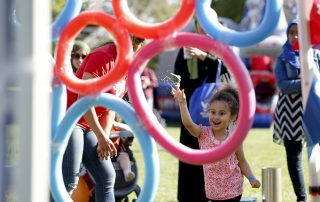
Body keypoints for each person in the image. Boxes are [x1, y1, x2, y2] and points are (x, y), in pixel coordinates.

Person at [62, 36, 145, 202]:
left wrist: (104, 138)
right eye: (130, 38)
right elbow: (83, 100)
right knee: (69, 181)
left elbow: (109, 108)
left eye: (138, 41)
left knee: (106, 177)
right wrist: (100, 137)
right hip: (69, 119)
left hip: (87, 125)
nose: (133, 45)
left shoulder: (128, 66)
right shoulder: (102, 57)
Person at [173, 15, 231, 202]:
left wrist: (204, 57)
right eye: (201, 23)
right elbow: (177, 73)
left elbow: (228, 75)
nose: (204, 28)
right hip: (191, 109)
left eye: (208, 23)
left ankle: (215, 195)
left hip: (216, 111)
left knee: (214, 155)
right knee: (190, 152)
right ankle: (190, 197)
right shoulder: (186, 44)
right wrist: (175, 85)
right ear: (196, 25)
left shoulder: (221, 45)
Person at [172, 84, 261, 201]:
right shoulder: (203, 133)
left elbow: (242, 162)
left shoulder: (235, 139)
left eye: (222, 113)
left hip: (233, 191)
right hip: (213, 193)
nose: (216, 117)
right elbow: (188, 124)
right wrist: (182, 103)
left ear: (232, 117)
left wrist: (251, 177)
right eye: (213, 112)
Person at [272, 19, 320, 202]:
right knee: (294, 159)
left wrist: (310, 83)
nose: (295, 36)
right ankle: (302, 198)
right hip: (289, 113)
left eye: (299, 32)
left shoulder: (316, 55)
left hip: (314, 110)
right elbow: (283, 86)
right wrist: (308, 81)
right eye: (291, 32)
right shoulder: (283, 57)